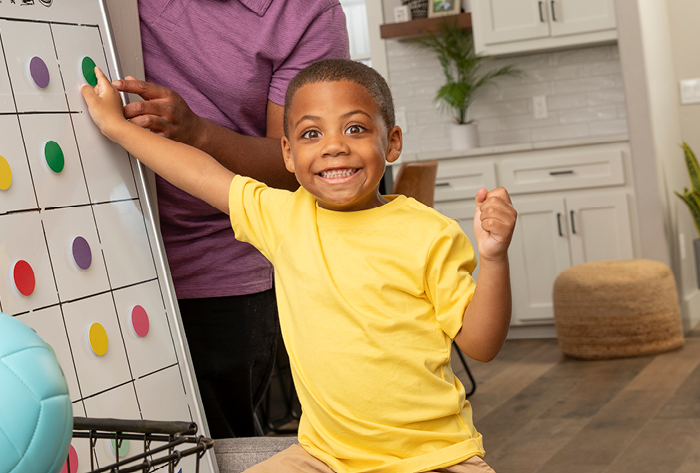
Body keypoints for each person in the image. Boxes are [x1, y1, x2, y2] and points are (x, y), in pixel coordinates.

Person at [80, 59, 516, 473]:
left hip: (435, 457)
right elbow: (197, 172)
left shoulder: (429, 234)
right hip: (326, 457)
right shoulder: (283, 217)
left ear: (393, 142)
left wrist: (494, 259)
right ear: (287, 154)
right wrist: (117, 128)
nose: (334, 146)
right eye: (311, 135)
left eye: (356, 128)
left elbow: (481, 344)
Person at [119, 0, 349, 436]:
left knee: (218, 445)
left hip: (226, 274)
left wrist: (194, 131)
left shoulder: (310, 11)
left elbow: (291, 166)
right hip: (103, 247)